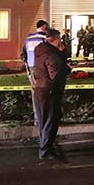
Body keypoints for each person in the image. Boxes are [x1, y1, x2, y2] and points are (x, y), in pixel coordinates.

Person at [32, 28, 70, 160]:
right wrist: (67, 69)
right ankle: (46, 150)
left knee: (44, 120)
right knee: (51, 120)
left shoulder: (40, 50)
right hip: (50, 91)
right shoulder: (52, 54)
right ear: (57, 39)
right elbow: (55, 74)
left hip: (39, 89)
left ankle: (46, 146)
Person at [21, 19, 49, 127]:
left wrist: (27, 65)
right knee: (46, 93)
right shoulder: (44, 39)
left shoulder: (28, 39)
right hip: (43, 69)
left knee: (35, 94)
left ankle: (37, 119)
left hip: (32, 68)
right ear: (44, 28)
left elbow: (23, 55)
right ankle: (45, 118)